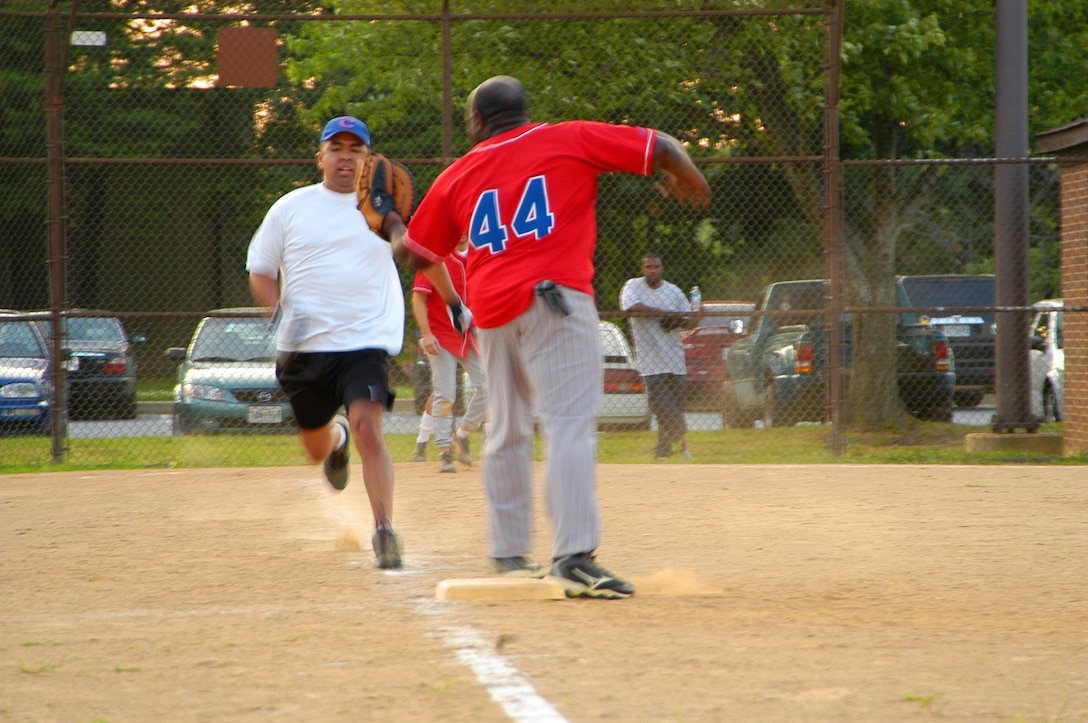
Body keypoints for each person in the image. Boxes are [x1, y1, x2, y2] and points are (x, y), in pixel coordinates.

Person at [381, 76, 709, 599]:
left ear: (476, 123)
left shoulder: (457, 174)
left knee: (506, 429)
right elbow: (661, 147)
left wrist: (394, 222)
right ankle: (574, 557)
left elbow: (418, 253)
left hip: (491, 313)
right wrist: (686, 172)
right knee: (569, 426)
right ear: (524, 112)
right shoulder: (567, 137)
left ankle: (510, 553)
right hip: (554, 302)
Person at [246, 115, 404, 569]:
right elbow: (260, 268)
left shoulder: (382, 212)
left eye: (356, 149)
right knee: (314, 448)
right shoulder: (291, 207)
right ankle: (337, 440)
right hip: (304, 348)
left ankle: (384, 530)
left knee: (371, 427)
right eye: (337, 148)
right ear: (321, 157)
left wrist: (400, 229)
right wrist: (276, 308)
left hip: (364, 341)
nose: (346, 156)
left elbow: (413, 247)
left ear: (368, 159)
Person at [411, 237, 488, 473]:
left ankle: (463, 433)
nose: (461, 233)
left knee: (490, 386)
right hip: (440, 337)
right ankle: (444, 450)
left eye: (464, 227)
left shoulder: (479, 256)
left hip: (466, 337)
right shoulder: (438, 259)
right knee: (446, 395)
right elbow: (419, 298)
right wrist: (426, 334)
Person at [620, 252, 699, 461]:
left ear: (662, 269)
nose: (652, 270)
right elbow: (633, 308)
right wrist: (667, 314)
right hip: (650, 360)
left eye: (656, 267)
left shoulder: (673, 291)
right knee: (664, 406)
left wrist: (696, 316)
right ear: (642, 269)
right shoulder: (633, 287)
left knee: (673, 408)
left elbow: (687, 321)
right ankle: (681, 439)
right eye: (648, 267)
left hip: (674, 359)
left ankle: (664, 452)